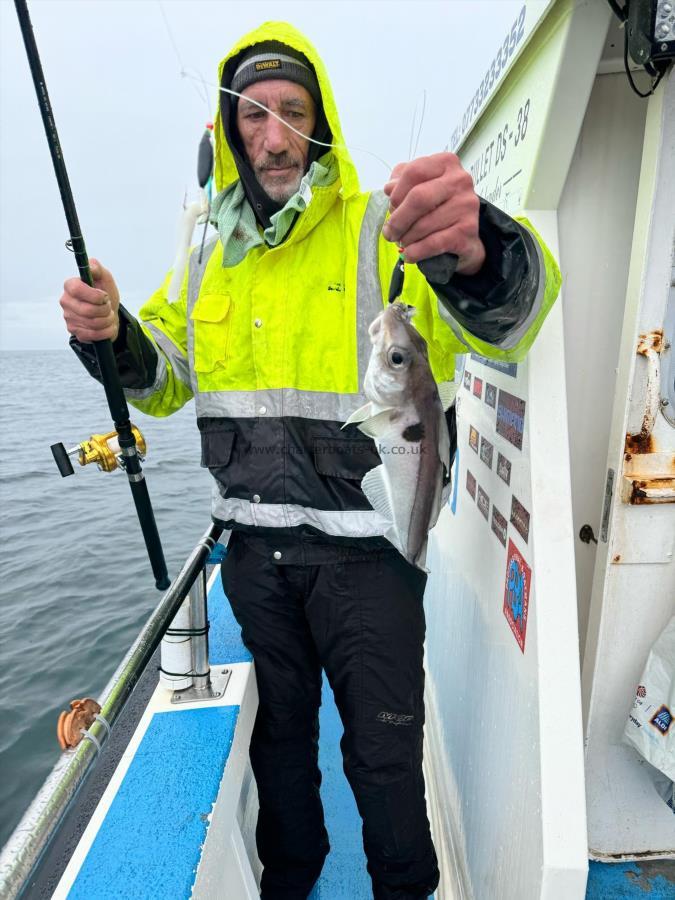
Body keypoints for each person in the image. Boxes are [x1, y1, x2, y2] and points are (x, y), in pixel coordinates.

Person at [61, 22, 560, 900]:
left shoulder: (376, 230)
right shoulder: (206, 253)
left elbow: (505, 320)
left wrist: (479, 252)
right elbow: (166, 379)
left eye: (292, 110)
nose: (274, 133)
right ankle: (290, 885)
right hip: (253, 558)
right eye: (253, 114)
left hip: (368, 560)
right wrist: (110, 336)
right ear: (229, 133)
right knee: (281, 753)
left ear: (318, 123)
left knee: (382, 761)